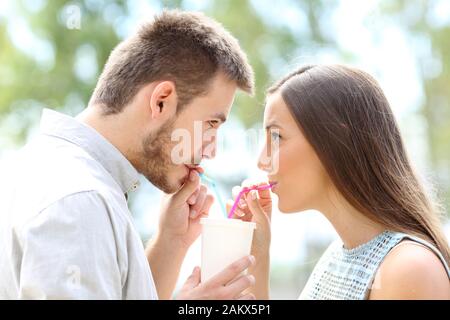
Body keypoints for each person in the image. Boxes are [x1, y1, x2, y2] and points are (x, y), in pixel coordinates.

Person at [0, 10, 257, 300]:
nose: (211, 150)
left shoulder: (49, 170)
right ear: (161, 102)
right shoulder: (80, 201)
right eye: (211, 124)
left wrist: (171, 241)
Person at [230, 64, 450, 300]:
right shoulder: (336, 257)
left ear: (336, 141)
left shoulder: (409, 269)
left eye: (276, 137)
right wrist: (258, 256)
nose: (262, 160)